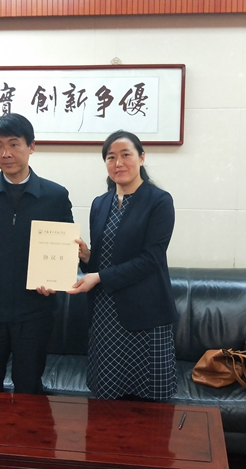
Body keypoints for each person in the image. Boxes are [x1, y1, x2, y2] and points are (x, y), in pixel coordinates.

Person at [0, 113, 73, 394]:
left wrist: (55, 282)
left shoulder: (55, 196)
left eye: (14, 144)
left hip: (35, 308)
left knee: (29, 387)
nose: (6, 153)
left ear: (31, 146)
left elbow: (65, 248)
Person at [68, 130, 178, 401]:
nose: (118, 163)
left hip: (146, 311)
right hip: (105, 311)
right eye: (111, 157)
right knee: (108, 399)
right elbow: (103, 258)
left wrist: (99, 277)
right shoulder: (100, 203)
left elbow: (151, 259)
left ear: (141, 157)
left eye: (126, 155)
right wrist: (86, 256)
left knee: (149, 402)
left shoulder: (159, 201)